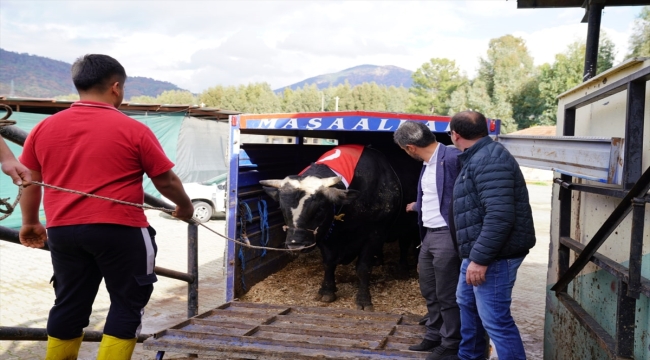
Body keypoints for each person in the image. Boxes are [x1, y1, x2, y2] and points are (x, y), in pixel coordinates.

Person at [18, 54, 194, 360]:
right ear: (116, 87)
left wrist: (30, 221)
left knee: (69, 302)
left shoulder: (44, 128)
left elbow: (29, 181)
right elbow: (165, 181)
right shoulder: (133, 129)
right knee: (128, 302)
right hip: (122, 230)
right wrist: (185, 208)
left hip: (63, 231)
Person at [448, 111, 536, 360]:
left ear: (455, 134)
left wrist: (480, 260)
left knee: (496, 321)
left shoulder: (489, 160)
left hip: (495, 256)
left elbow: (500, 217)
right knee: (469, 309)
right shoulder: (478, 156)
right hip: (478, 252)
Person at [394, 121, 462, 360]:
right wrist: (418, 206)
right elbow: (440, 193)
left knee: (447, 293)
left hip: (446, 234)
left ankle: (451, 343)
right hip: (429, 233)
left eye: (404, 150)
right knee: (429, 289)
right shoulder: (428, 163)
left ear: (410, 147)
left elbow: (465, 196)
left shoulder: (454, 157)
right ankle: (434, 334)